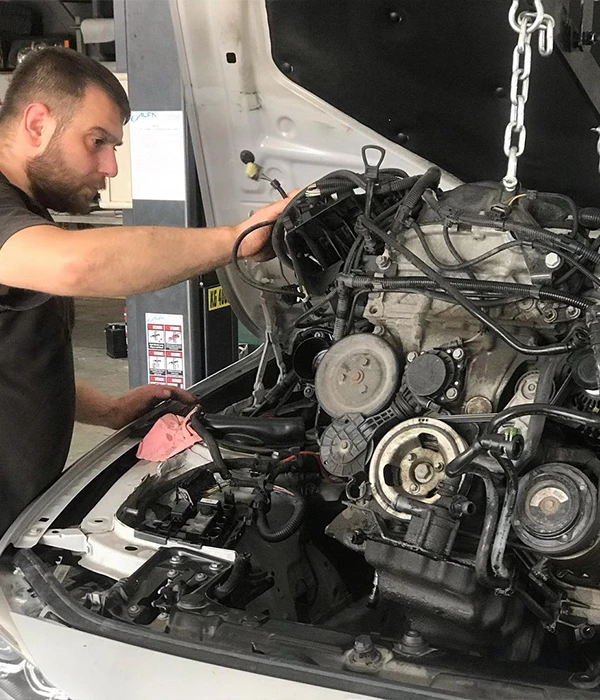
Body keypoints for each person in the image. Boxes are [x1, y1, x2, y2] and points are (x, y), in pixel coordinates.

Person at [0, 47, 291, 535]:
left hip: (19, 517)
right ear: (37, 124)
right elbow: (77, 265)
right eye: (97, 141)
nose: (111, 166)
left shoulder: (26, 214)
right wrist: (235, 240)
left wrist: (108, 410)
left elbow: (16, 360)